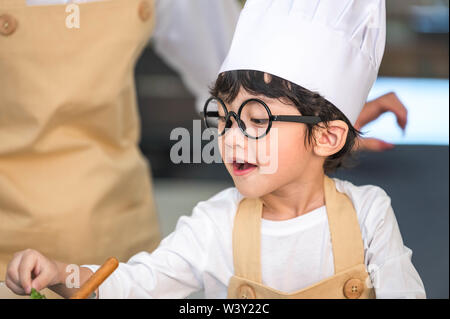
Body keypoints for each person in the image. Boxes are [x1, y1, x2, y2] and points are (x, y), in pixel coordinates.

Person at [5, 0, 426, 299]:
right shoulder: (214, 224)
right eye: (224, 119)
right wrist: (63, 273)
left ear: (327, 137)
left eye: (258, 121)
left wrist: (343, 111)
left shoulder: (369, 215)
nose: (232, 137)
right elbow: (136, 285)